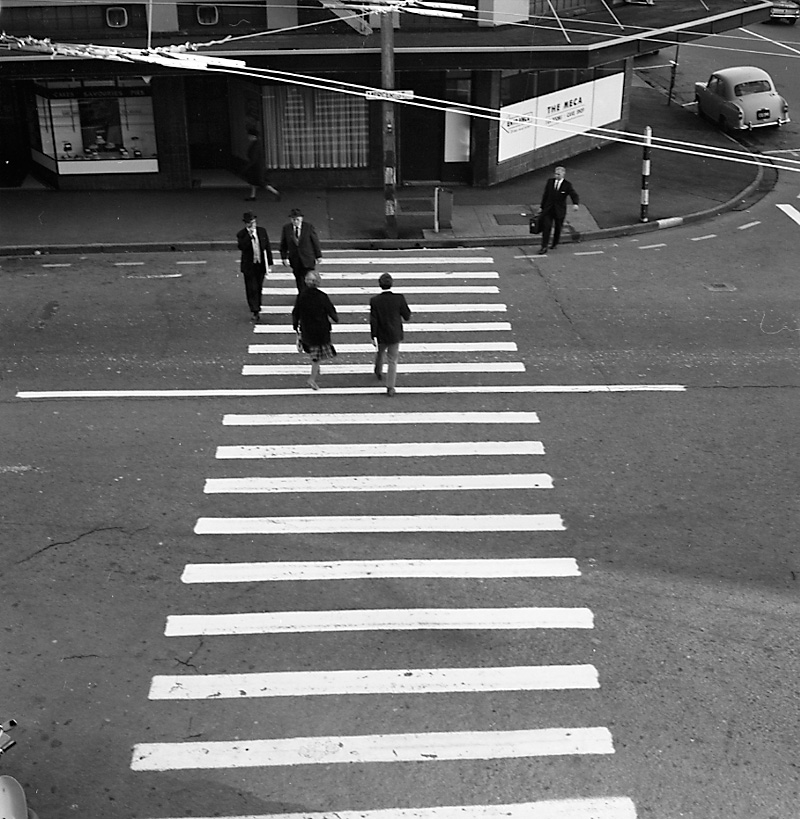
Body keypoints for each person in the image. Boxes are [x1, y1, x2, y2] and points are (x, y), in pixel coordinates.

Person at [292, 270, 339, 390]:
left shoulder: (301, 296)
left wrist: (295, 325)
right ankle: (312, 379)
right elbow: (331, 310)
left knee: (313, 353)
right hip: (320, 330)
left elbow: (296, 312)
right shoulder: (322, 296)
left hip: (307, 329)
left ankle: (315, 371)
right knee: (316, 357)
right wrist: (335, 318)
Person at [369, 272, 411, 397]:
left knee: (380, 352)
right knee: (392, 360)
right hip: (395, 333)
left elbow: (373, 320)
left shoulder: (375, 300)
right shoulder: (399, 298)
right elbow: (407, 316)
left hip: (381, 332)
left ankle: (378, 370)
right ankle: (390, 387)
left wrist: (373, 335)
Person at [236, 211, 273, 323]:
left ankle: (257, 304)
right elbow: (242, 246)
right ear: (246, 224)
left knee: (258, 286)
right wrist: (250, 236)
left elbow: (267, 247)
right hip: (249, 265)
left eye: (253, 222)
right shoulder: (242, 234)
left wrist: (270, 262)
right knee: (251, 287)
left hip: (260, 264)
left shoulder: (262, 231)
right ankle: (255, 309)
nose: (252, 225)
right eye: (250, 223)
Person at [537, 165, 579, 255]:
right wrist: (542, 207)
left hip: (559, 210)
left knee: (558, 227)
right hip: (548, 209)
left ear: (563, 174)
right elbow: (546, 195)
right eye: (555, 174)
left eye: (558, 174)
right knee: (546, 227)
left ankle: (555, 243)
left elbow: (573, 195)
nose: (556, 176)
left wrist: (575, 204)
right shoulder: (550, 182)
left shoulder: (567, 185)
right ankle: (544, 246)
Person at [280, 208, 322, 293]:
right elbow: (284, 244)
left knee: (310, 278)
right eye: (293, 219)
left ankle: (310, 294)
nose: (295, 221)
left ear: (301, 219)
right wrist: (284, 257)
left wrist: (318, 255)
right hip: (295, 259)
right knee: (299, 279)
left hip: (308, 258)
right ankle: (302, 295)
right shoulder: (287, 228)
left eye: (297, 219)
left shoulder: (308, 227)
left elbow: (315, 241)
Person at [243, 129, 281, 202]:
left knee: (260, 181)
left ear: (253, 137)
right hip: (256, 165)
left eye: (249, 136)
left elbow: (254, 157)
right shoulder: (256, 144)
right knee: (253, 181)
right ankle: (252, 195)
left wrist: (247, 166)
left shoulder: (256, 145)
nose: (248, 137)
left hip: (257, 166)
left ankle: (275, 192)